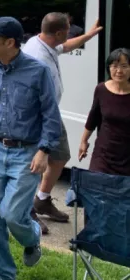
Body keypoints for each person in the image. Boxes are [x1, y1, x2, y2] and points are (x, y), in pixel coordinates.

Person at [0, 17, 61, 280]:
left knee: (12, 215)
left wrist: (44, 150)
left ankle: (33, 237)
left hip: (27, 153)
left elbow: (51, 114)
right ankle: (2, 273)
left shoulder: (38, 71)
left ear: (10, 42)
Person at [22, 13, 101, 232]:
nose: (70, 32)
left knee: (60, 156)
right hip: (39, 117)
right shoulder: (37, 57)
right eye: (68, 29)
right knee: (35, 164)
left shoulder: (45, 43)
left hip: (51, 113)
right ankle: (26, 211)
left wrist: (89, 35)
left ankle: (42, 199)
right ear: (58, 32)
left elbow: (65, 47)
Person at [79, 48, 130, 176]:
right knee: (97, 189)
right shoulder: (101, 89)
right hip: (103, 154)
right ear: (109, 68)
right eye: (115, 66)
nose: (119, 71)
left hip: (127, 156)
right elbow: (93, 118)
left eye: (124, 66)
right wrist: (84, 141)